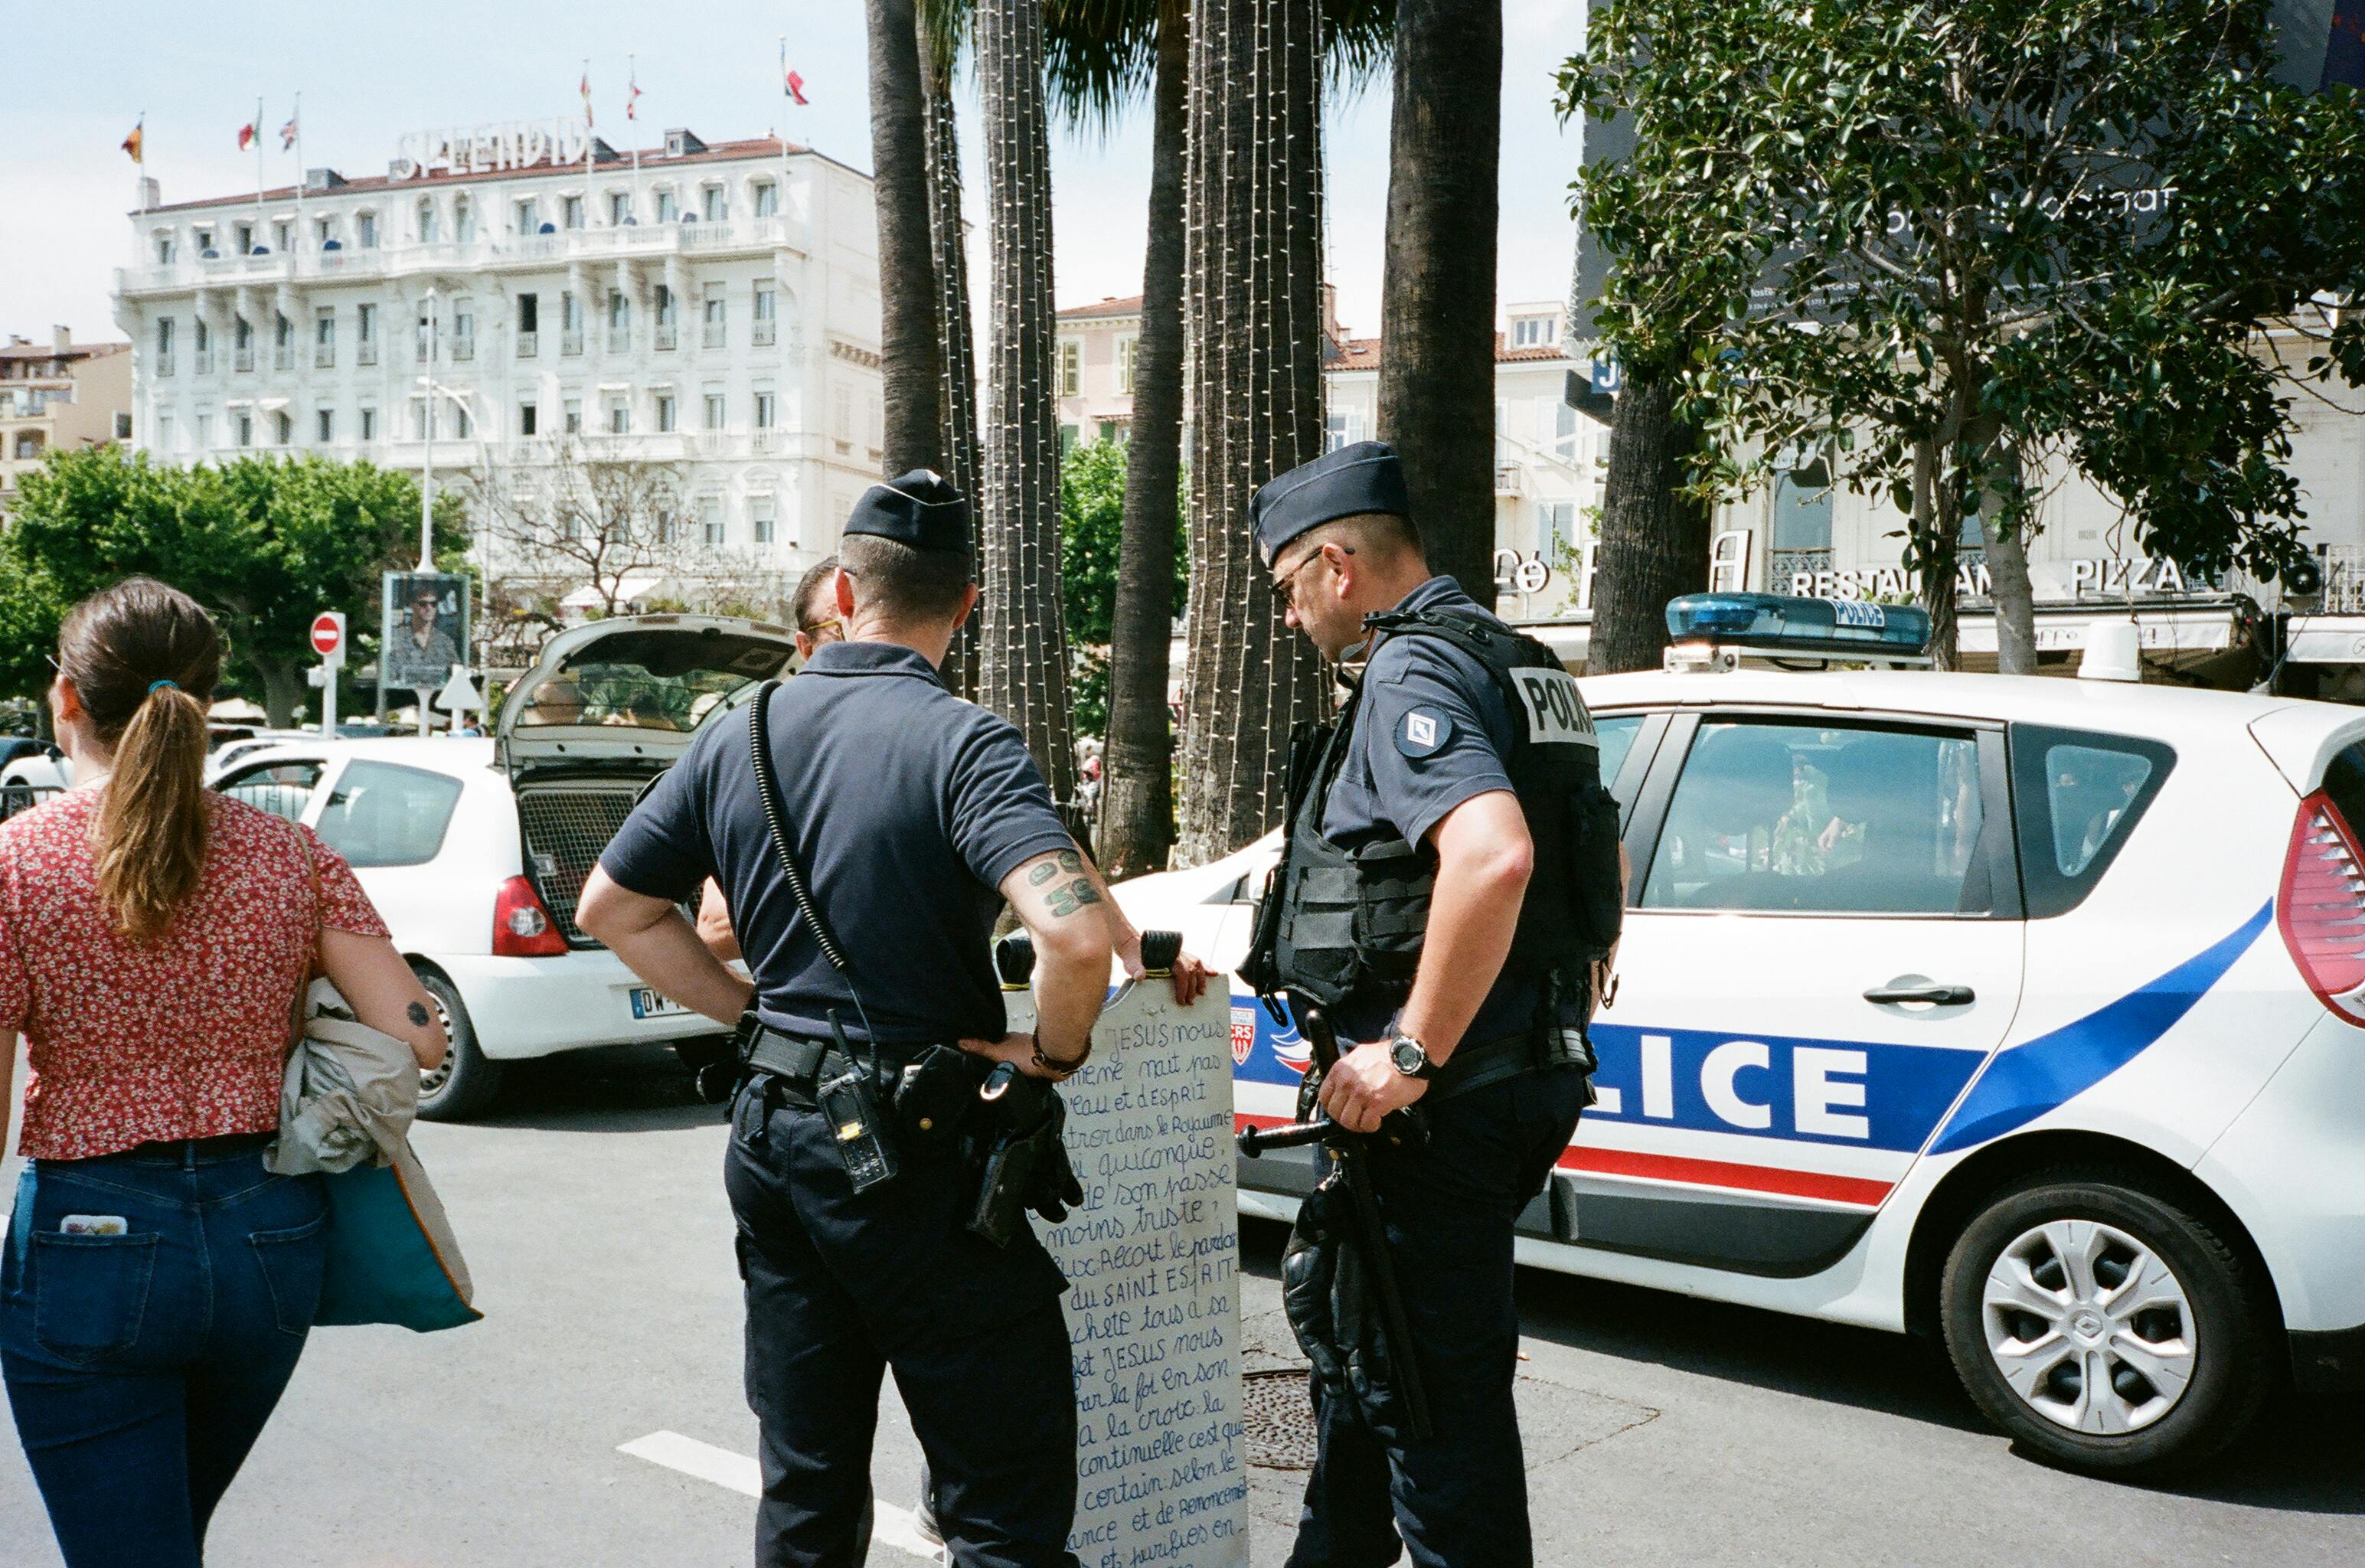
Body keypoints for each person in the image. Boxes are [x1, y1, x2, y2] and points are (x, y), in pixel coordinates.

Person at [578, 472, 1205, 1568]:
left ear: (839, 588)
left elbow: (613, 908)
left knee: (808, 1482)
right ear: (965, 608)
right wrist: (1050, 1057)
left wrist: (752, 1018)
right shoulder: (964, 743)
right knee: (1002, 1498)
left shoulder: (743, 730)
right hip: (919, 1158)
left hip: (776, 1136)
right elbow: (1064, 935)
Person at [0, 577, 447, 1568]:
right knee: (167, 1536)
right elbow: (417, 1035)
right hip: (270, 1236)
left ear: (65, 697)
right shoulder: (290, 856)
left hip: (89, 1244)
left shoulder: (16, 863)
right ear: (205, 702)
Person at [1246, 442, 1615, 1568]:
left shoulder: (1411, 672)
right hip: (1521, 1069)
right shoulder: (1520, 660)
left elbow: (1498, 859)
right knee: (1372, 1360)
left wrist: (1408, 1051)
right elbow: (1588, 857)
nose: (1292, 616)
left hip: (1435, 1107)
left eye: (1289, 588)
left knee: (1433, 1414)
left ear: (1338, 565)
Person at [697, 557, 844, 963]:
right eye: (839, 630)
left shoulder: (937, 738)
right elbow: (715, 930)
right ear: (805, 646)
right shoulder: (746, 745)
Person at [388, 583, 460, 694]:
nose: (429, 608)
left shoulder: (446, 642)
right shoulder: (396, 638)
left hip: (436, 701)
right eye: (423, 604)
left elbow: (456, 676)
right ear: (412, 606)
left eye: (433, 604)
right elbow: (389, 676)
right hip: (402, 700)